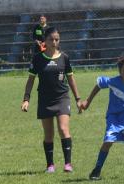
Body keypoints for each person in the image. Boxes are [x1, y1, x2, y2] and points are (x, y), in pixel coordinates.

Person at [21, 27, 82, 173]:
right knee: (48, 134)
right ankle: (50, 165)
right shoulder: (38, 58)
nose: (54, 42)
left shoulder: (64, 58)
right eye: (51, 39)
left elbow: (71, 79)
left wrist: (78, 99)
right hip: (45, 99)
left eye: (57, 39)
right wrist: (26, 99)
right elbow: (30, 80)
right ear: (45, 41)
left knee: (63, 128)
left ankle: (68, 164)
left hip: (62, 98)